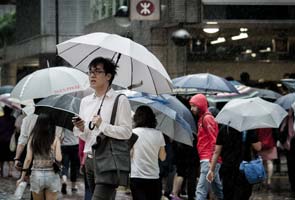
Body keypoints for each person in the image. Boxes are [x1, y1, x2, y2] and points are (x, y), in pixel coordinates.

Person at [73, 57, 132, 200]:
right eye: (90, 72)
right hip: (89, 160)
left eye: (98, 71)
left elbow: (126, 132)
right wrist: (80, 128)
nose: (92, 75)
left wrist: (103, 125)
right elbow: (85, 136)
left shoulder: (120, 100)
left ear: (108, 76)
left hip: (108, 159)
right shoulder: (86, 102)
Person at [207, 126, 261, 200]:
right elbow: (258, 147)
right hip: (243, 169)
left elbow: (216, 152)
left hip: (227, 169)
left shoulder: (224, 129)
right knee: (243, 194)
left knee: (228, 194)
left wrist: (211, 170)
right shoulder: (248, 129)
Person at [16, 113, 62, 200]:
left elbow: (28, 159)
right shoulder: (55, 138)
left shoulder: (33, 138)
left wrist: (22, 178)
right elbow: (59, 158)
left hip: (36, 175)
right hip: (52, 175)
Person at [189, 94, 223, 200]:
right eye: (191, 105)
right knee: (218, 189)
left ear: (201, 105)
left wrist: (211, 163)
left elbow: (215, 141)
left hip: (208, 160)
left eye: (194, 106)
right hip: (209, 159)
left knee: (201, 191)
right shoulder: (203, 118)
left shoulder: (207, 118)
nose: (192, 109)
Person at [130, 105, 166, 200]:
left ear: (136, 118)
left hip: (137, 176)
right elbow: (162, 157)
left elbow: (130, 154)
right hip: (154, 177)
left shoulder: (133, 133)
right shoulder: (159, 134)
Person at [279, 108, 295, 193]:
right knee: (291, 166)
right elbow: (281, 130)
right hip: (289, 145)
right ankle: (293, 186)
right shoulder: (287, 117)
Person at [60, 129, 80, 194]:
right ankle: (73, 186)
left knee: (64, 165)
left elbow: (60, 134)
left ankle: (64, 181)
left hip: (64, 146)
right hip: (75, 145)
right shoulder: (77, 120)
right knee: (74, 167)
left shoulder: (63, 121)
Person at [0, 106, 16, 177]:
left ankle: (1, 171)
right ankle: (10, 171)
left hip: (1, 140)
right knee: (10, 156)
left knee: (0, 157)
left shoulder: (0, 119)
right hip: (10, 141)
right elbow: (15, 128)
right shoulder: (13, 119)